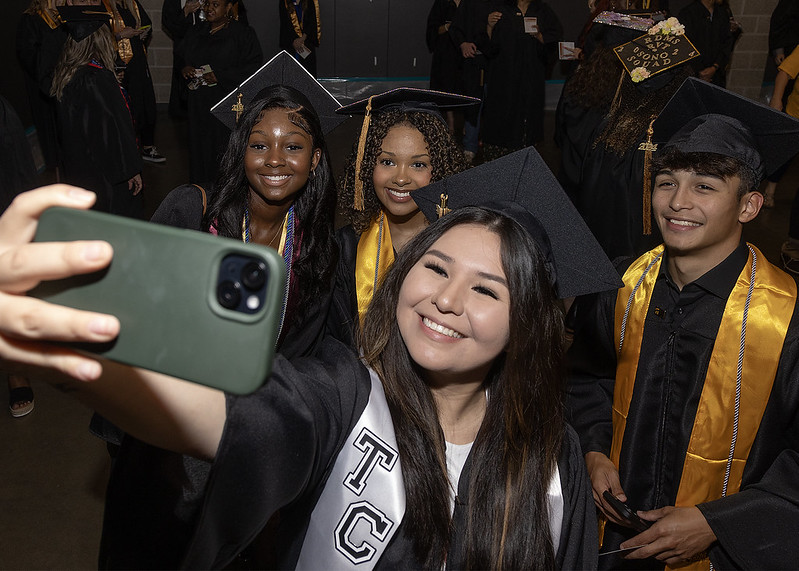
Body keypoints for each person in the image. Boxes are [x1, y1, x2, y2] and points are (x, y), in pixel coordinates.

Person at [0, 143, 617, 567]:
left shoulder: (553, 457)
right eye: (435, 267)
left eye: (487, 289)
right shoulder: (348, 394)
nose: (446, 300)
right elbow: (226, 415)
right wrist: (74, 347)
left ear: (527, 324)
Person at [94, 52, 345, 568]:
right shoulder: (194, 212)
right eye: (259, 144)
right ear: (241, 148)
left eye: (293, 146)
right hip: (169, 438)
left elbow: (301, 354)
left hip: (250, 438)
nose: (275, 160)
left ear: (316, 157)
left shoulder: (318, 248)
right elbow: (131, 317)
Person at [567, 77, 799, 569]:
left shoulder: (788, 318)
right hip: (617, 540)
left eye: (706, 187)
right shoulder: (621, 286)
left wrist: (720, 522)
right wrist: (592, 450)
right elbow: (586, 378)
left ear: (749, 205)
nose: (678, 202)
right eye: (667, 181)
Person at [330, 88, 477, 345]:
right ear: (367, 166)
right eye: (387, 162)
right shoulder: (345, 249)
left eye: (418, 164)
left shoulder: (462, 249)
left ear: (440, 170)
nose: (400, 178)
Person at [50, 6, 143, 218]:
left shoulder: (65, 74)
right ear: (99, 39)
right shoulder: (97, 79)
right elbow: (113, 130)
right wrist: (129, 170)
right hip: (105, 173)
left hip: (79, 169)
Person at [178, 0, 261, 183]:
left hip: (226, 103)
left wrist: (221, 76)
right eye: (207, 4)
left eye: (215, 4)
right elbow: (184, 58)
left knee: (223, 152)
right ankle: (201, 194)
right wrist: (186, 69)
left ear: (228, 7)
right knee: (200, 151)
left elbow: (253, 68)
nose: (209, 8)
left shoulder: (242, 34)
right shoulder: (196, 31)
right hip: (199, 103)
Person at [480, 0, 562, 160]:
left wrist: (539, 36)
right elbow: (487, 46)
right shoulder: (500, 9)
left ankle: (526, 156)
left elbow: (555, 36)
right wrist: (489, 26)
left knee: (529, 116)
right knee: (501, 114)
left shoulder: (542, 9)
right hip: (503, 77)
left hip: (531, 76)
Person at [109, 0, 163, 163]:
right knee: (128, 108)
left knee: (146, 104)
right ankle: (129, 151)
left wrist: (143, 32)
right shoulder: (104, 5)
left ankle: (147, 146)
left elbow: (147, 23)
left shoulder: (131, 3)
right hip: (120, 63)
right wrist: (120, 35)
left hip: (138, 60)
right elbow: (99, 36)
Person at [426, 0, 464, 133]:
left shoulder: (470, 4)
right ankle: (449, 121)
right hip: (445, 53)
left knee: (465, 87)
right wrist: (447, 27)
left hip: (464, 54)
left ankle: (464, 125)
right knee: (446, 86)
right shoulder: (442, 3)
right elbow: (432, 29)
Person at [677, 0, 733, 87]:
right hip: (693, 75)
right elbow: (685, 45)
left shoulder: (722, 13)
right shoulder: (687, 13)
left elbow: (727, 44)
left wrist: (715, 67)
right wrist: (701, 72)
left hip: (716, 75)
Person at [279, 0, 321, 76]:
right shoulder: (284, 2)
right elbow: (285, 24)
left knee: (308, 74)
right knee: (290, 74)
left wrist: (302, 38)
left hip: (306, 43)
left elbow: (312, 21)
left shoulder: (309, 1)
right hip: (290, 45)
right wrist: (294, 41)